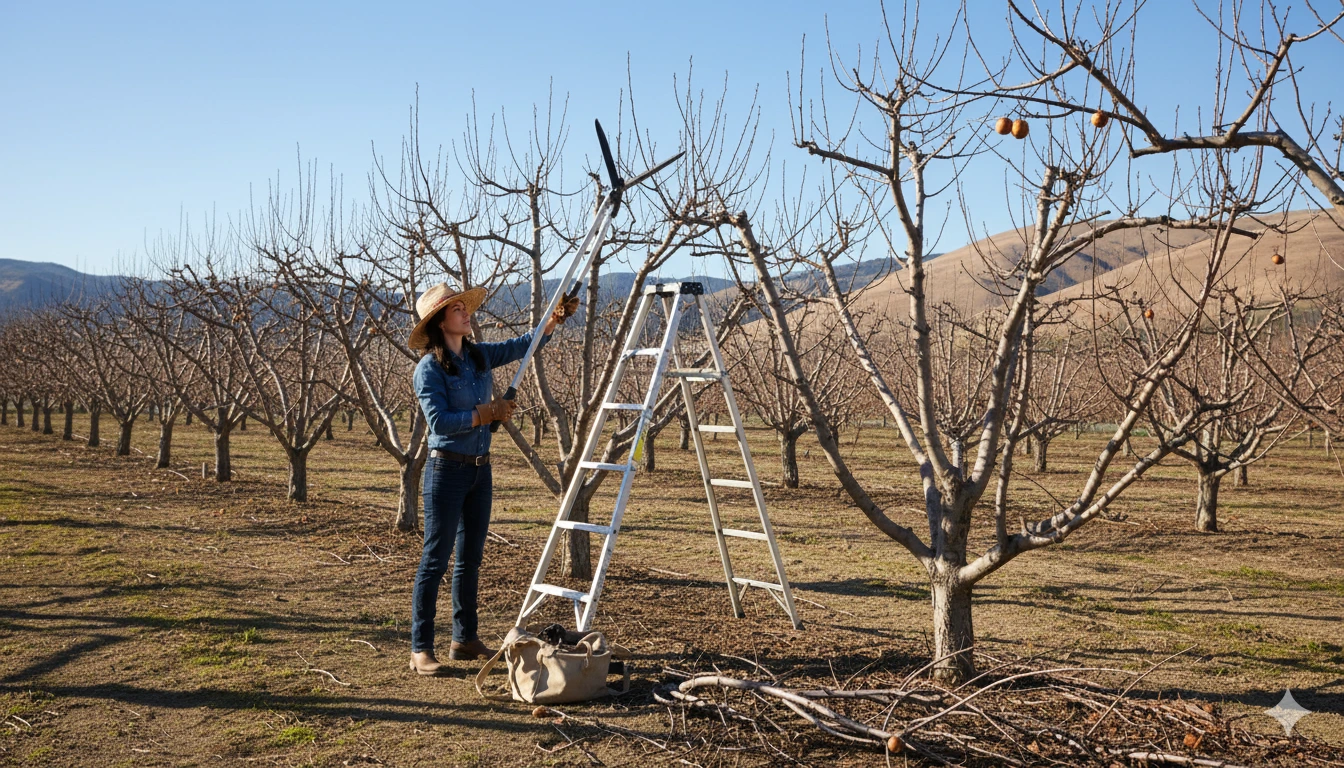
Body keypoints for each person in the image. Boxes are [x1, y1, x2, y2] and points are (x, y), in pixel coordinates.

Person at [407, 283, 578, 676]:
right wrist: (488, 413)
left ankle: (464, 639)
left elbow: (523, 345)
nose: (467, 313)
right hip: (446, 471)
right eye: (458, 310)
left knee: (470, 559)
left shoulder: (478, 356)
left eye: (466, 307)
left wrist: (552, 322)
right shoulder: (429, 369)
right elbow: (440, 423)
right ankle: (420, 649)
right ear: (439, 321)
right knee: (435, 559)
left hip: (479, 470)